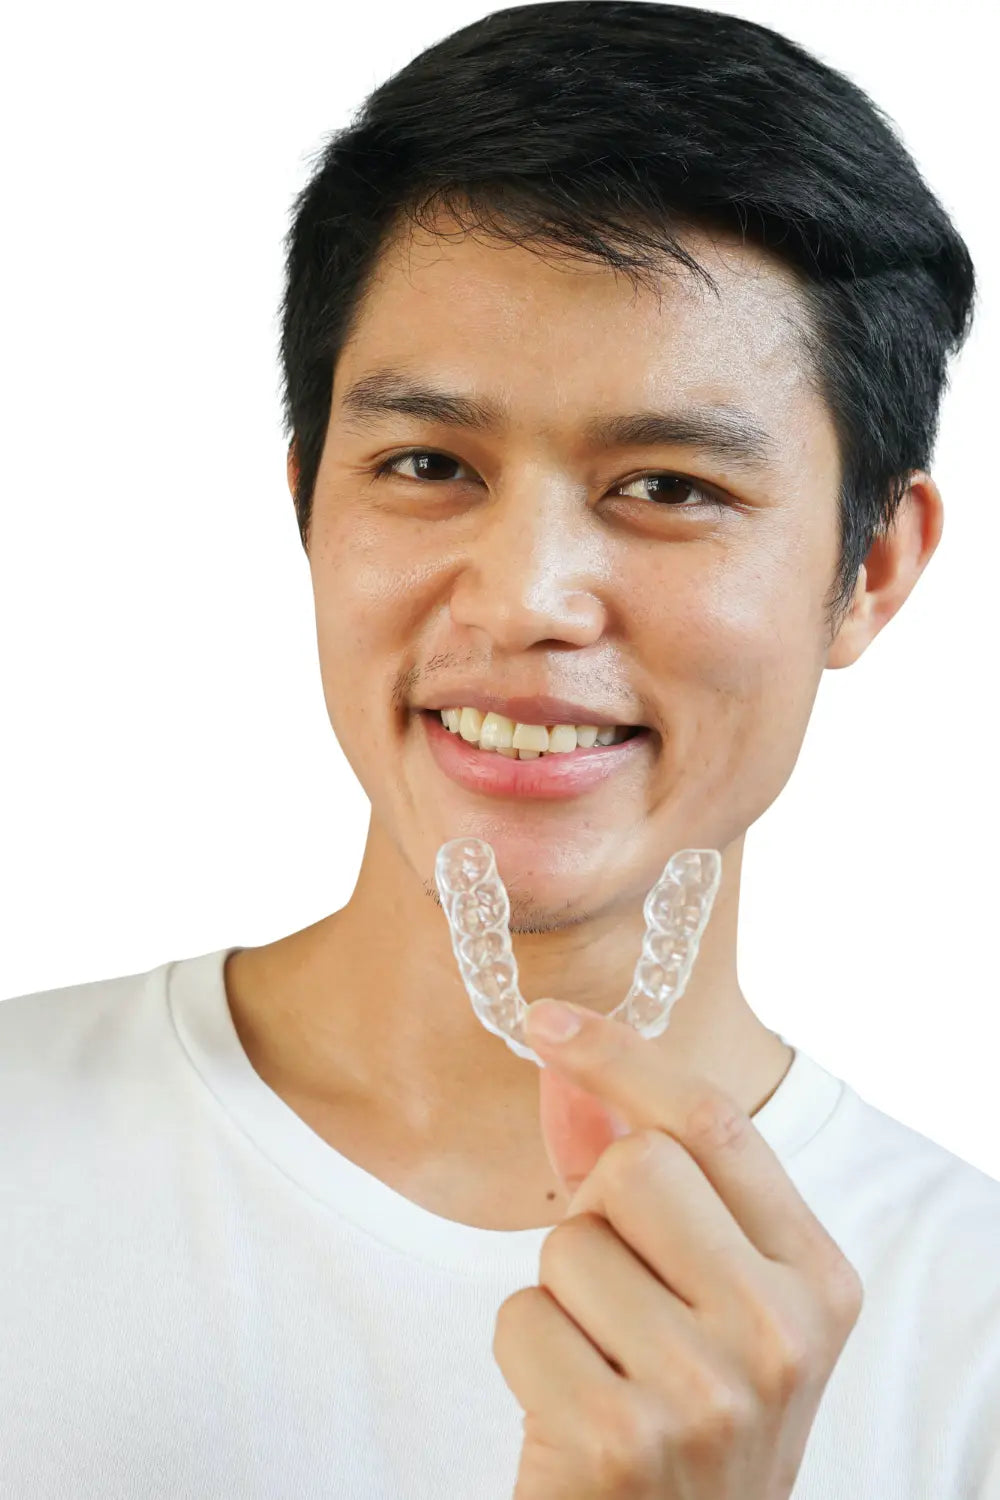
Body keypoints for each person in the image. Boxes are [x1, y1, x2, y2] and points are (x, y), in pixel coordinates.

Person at [2, 3, 997, 1497]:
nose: (525, 596)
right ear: (310, 507)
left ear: (870, 569)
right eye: (426, 467)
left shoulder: (966, 1347)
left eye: (666, 483)